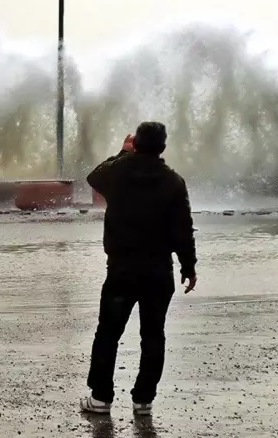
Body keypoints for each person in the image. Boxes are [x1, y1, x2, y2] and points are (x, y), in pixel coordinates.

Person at [80, 121, 197, 416]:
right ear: (163, 148)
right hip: (158, 271)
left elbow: (94, 177)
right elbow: (183, 229)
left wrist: (121, 152)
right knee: (153, 335)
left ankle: (101, 398)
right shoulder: (174, 182)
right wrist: (188, 266)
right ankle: (143, 400)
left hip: (121, 270)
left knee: (108, 332)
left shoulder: (118, 171)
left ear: (135, 144)